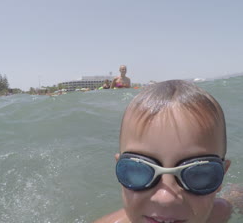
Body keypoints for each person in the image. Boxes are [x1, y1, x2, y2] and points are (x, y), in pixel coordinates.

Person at [95, 80, 231, 223]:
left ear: (222, 176)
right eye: (138, 170)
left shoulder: (220, 213)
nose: (166, 198)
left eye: (197, 174)